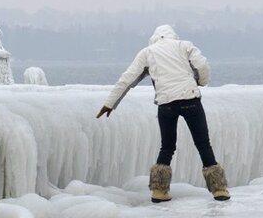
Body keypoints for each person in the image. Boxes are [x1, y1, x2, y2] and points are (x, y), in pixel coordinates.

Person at [97, 25, 229, 203]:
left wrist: (110, 104)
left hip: (166, 104)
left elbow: (127, 79)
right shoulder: (184, 45)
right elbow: (202, 65)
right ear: (173, 36)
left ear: (154, 38)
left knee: (167, 147)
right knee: (203, 144)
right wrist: (201, 82)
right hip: (190, 100)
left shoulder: (147, 52)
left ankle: (159, 191)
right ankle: (219, 189)